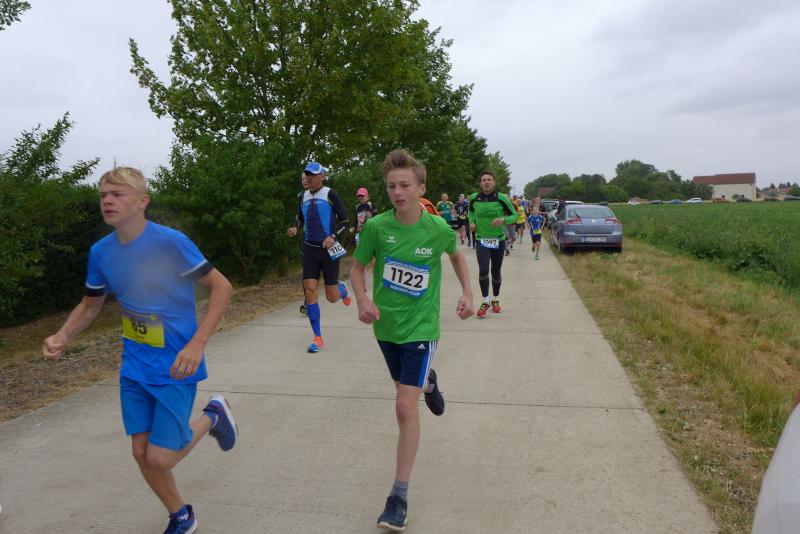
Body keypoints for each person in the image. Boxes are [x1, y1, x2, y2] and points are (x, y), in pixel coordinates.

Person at [41, 167, 237, 534]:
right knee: (140, 453)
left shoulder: (170, 243)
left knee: (161, 457)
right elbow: (90, 305)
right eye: (103, 195)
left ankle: (214, 415)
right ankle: (181, 515)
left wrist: (197, 344)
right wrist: (62, 335)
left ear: (142, 201)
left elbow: (222, 287)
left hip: (177, 361)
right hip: (134, 364)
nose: (108, 201)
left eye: (117, 194)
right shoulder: (101, 252)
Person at [350, 149, 474, 531]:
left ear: (421, 188)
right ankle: (428, 382)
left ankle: (398, 496)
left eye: (405, 185)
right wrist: (363, 298)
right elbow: (357, 267)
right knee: (409, 391)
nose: (398, 192)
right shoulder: (376, 228)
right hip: (386, 329)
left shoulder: (436, 228)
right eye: (391, 186)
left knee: (405, 406)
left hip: (421, 329)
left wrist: (468, 293)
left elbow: (456, 256)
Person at [287, 161, 351, 353]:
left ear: (322, 176)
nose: (309, 178)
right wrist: (294, 227)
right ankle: (317, 337)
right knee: (310, 290)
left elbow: (345, 221)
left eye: (313, 175)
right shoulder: (302, 196)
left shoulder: (330, 194)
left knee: (331, 297)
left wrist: (332, 236)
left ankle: (342, 290)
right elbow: (298, 217)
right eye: (307, 174)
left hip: (328, 250)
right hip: (309, 249)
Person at [468, 171, 517, 318]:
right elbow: (471, 212)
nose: (486, 182)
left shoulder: (501, 198)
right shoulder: (474, 198)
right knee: (483, 270)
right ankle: (485, 301)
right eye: (484, 180)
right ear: (480, 183)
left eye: (489, 180)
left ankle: (495, 299)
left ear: (494, 182)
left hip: (498, 240)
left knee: (495, 272)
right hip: (481, 240)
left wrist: (503, 220)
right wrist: (472, 222)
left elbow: (514, 216)